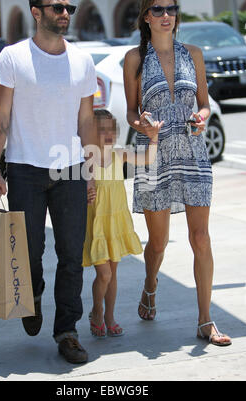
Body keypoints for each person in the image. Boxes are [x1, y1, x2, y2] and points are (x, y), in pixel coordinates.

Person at [0, 0, 98, 364]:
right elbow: (1, 116)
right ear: (36, 12)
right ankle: (31, 292)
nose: (65, 13)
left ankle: (67, 331)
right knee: (30, 251)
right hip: (24, 171)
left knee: (71, 255)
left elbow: (86, 118)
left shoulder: (83, 61)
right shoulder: (12, 57)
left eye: (69, 7)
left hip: (70, 170)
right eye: (57, 8)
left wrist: (92, 167)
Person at [123, 0, 232, 346]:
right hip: (154, 155)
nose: (166, 15)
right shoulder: (134, 59)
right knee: (158, 241)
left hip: (193, 151)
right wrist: (143, 126)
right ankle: (150, 284)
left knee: (200, 237)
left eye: (171, 8)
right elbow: (130, 112)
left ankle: (205, 320)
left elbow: (204, 103)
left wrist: (201, 118)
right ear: (146, 16)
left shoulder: (194, 54)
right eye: (158, 9)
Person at [83, 109, 163, 338]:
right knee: (104, 274)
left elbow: (148, 158)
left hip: (116, 221)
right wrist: (84, 191)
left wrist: (154, 138)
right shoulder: (87, 158)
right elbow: (78, 185)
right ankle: (97, 311)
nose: (108, 134)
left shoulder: (119, 154)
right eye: (101, 130)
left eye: (111, 129)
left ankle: (110, 316)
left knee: (113, 273)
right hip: (97, 222)